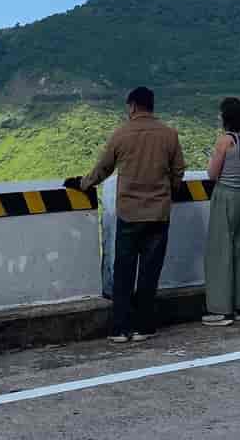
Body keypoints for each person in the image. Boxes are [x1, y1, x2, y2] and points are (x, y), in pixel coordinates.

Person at [64, 86, 185, 344]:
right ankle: (145, 326)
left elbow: (102, 170)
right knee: (149, 272)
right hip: (158, 214)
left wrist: (82, 184)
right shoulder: (170, 135)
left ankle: (120, 328)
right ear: (151, 106)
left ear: (132, 106)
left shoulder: (121, 134)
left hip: (129, 213)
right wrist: (167, 193)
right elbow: (178, 173)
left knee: (124, 271)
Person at [202, 97, 240, 326]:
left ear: (226, 117)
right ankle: (238, 306)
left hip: (225, 196)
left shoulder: (225, 141)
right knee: (237, 252)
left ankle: (222, 310)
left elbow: (212, 174)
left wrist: (211, 159)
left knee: (220, 253)